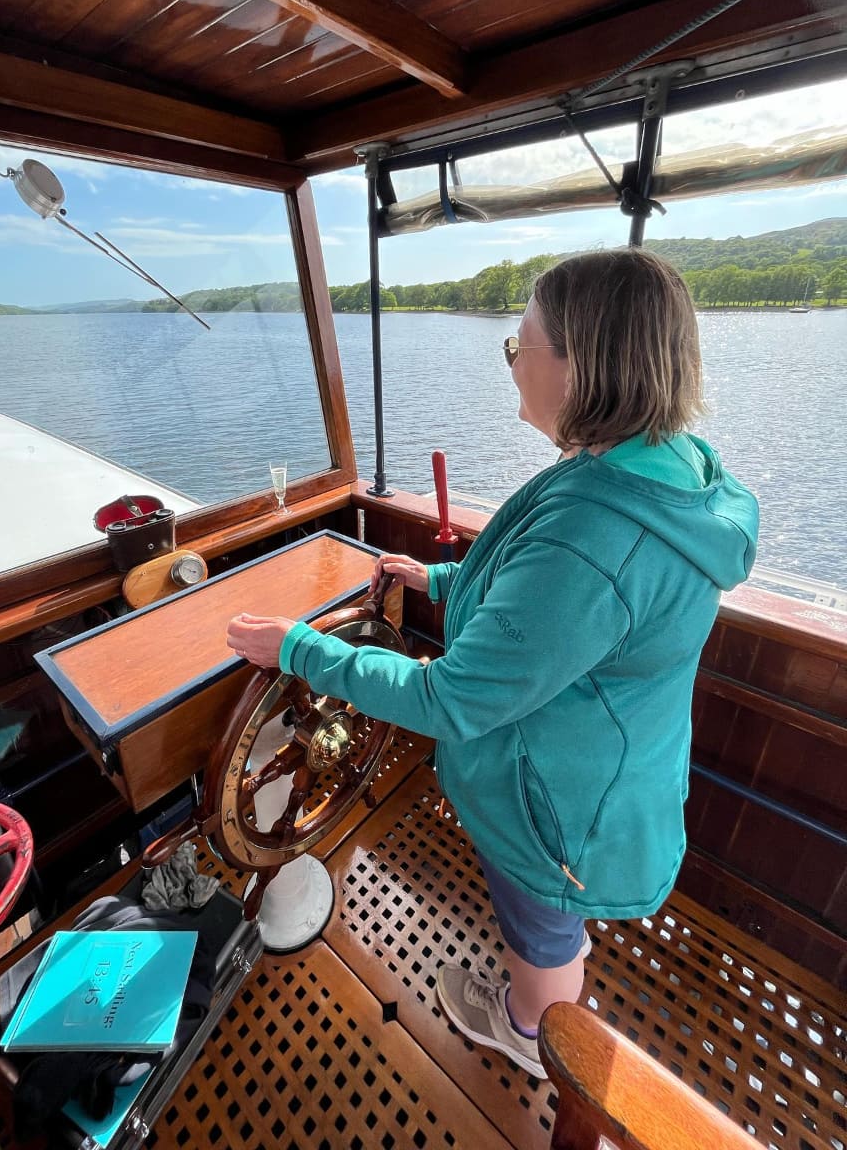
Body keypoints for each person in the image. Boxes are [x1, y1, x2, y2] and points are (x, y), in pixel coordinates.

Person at [226, 248, 759, 1078]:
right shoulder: (652, 468)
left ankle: (527, 1031)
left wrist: (299, 648)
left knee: (542, 927)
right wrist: (440, 578)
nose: (511, 364)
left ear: (584, 365)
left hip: (560, 813)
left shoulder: (598, 538)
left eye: (520, 345)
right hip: (608, 766)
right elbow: (540, 605)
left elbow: (450, 700)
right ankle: (549, 977)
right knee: (554, 922)